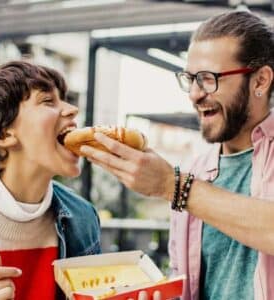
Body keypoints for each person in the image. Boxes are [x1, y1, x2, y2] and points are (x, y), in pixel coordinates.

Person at [80, 11, 274, 300]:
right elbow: (187, 281)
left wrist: (172, 185)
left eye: (209, 79)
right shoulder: (195, 168)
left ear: (260, 81)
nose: (195, 94)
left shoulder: (181, 181)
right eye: (190, 79)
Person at [0, 61, 101, 300]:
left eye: (63, 98)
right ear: (3, 133)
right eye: (47, 100)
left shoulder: (83, 218)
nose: (72, 109)